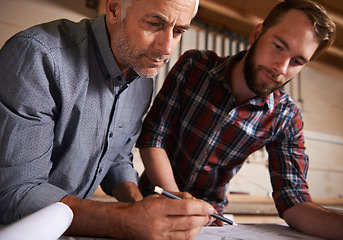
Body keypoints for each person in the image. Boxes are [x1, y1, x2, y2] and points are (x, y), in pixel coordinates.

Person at [136, 0, 343, 239]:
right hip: (151, 202)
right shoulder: (194, 66)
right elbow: (153, 137)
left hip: (210, 221)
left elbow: (293, 199)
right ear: (257, 33)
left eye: (297, 62)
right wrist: (175, 199)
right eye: (278, 46)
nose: (281, 68)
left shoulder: (285, 117)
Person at [0, 0, 217, 239]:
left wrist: (140, 205)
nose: (167, 48)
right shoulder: (38, 57)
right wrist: (126, 219)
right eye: (155, 24)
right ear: (114, 9)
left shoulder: (142, 79)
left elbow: (117, 159)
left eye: (178, 32)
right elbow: (14, 192)